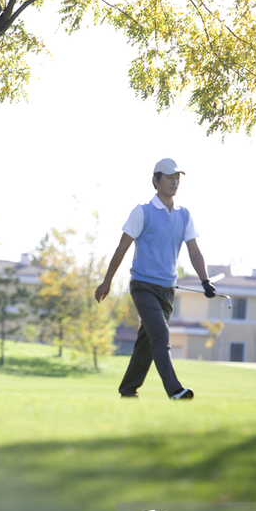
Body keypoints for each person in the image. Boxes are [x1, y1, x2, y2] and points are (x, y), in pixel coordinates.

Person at [94, 158, 216, 400]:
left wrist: (205, 280)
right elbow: (121, 249)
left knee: (147, 342)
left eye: (177, 178)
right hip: (143, 287)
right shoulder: (142, 212)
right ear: (155, 181)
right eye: (169, 177)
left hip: (167, 290)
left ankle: (128, 391)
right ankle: (175, 390)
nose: (174, 182)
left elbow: (194, 250)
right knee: (160, 335)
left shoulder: (184, 215)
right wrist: (107, 281)